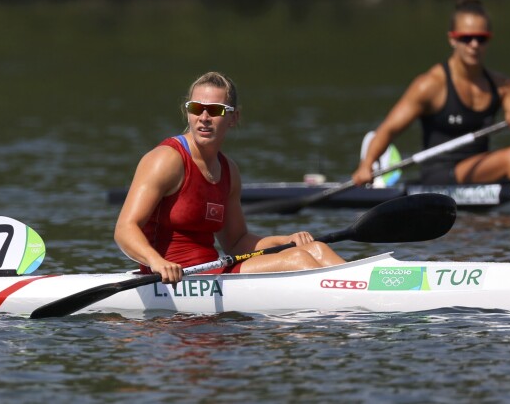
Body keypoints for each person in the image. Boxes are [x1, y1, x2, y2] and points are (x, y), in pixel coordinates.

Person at [114, 71, 345, 284]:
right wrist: (157, 262)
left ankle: (364, 292)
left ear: (234, 118)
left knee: (317, 250)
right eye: (196, 108)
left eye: (215, 110)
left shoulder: (228, 170)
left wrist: (285, 240)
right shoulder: (166, 160)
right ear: (187, 111)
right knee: (298, 260)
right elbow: (125, 229)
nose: (204, 117)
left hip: (211, 271)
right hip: (173, 276)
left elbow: (236, 242)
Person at [352, 0, 510, 186]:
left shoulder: (503, 85)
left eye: (481, 38)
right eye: (466, 38)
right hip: (440, 174)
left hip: (482, 168)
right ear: (452, 39)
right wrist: (366, 166)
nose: (474, 45)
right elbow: (388, 130)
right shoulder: (430, 85)